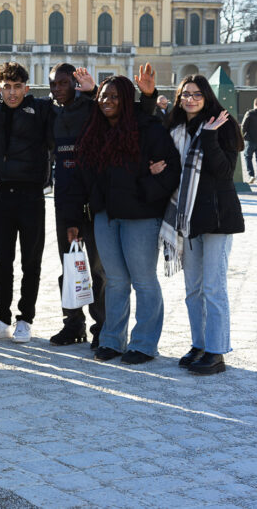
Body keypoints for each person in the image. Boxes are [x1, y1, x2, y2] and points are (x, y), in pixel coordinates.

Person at [65, 76, 180, 364]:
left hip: (141, 216)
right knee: (113, 280)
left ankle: (143, 344)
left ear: (128, 100)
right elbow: (84, 178)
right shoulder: (95, 131)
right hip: (106, 215)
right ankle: (113, 340)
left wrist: (144, 191)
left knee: (143, 280)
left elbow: (170, 170)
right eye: (104, 96)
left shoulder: (149, 129)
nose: (108, 101)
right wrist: (79, 215)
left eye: (115, 96)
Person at [161, 76, 244, 375]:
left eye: (197, 94)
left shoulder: (223, 123)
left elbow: (224, 171)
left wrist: (209, 136)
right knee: (192, 289)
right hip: (188, 218)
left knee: (213, 287)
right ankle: (199, 344)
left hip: (218, 218)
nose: (191, 99)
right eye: (185, 94)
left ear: (206, 96)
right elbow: (173, 167)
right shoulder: (177, 129)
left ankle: (217, 351)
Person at [0, 62, 55, 343]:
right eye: (7, 87)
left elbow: (71, 112)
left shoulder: (41, 109)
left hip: (33, 195)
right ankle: (0, 319)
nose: (12, 93)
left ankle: (25, 319)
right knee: (1, 261)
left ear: (27, 88)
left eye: (18, 87)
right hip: (4, 193)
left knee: (31, 262)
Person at [48, 63, 106, 348]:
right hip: (65, 201)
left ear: (75, 83)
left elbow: (122, 113)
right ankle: (73, 324)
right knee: (70, 266)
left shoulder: (93, 107)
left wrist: (94, 91)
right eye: (53, 84)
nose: (58, 89)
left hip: (94, 201)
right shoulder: (51, 112)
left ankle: (103, 328)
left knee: (97, 270)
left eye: (63, 83)